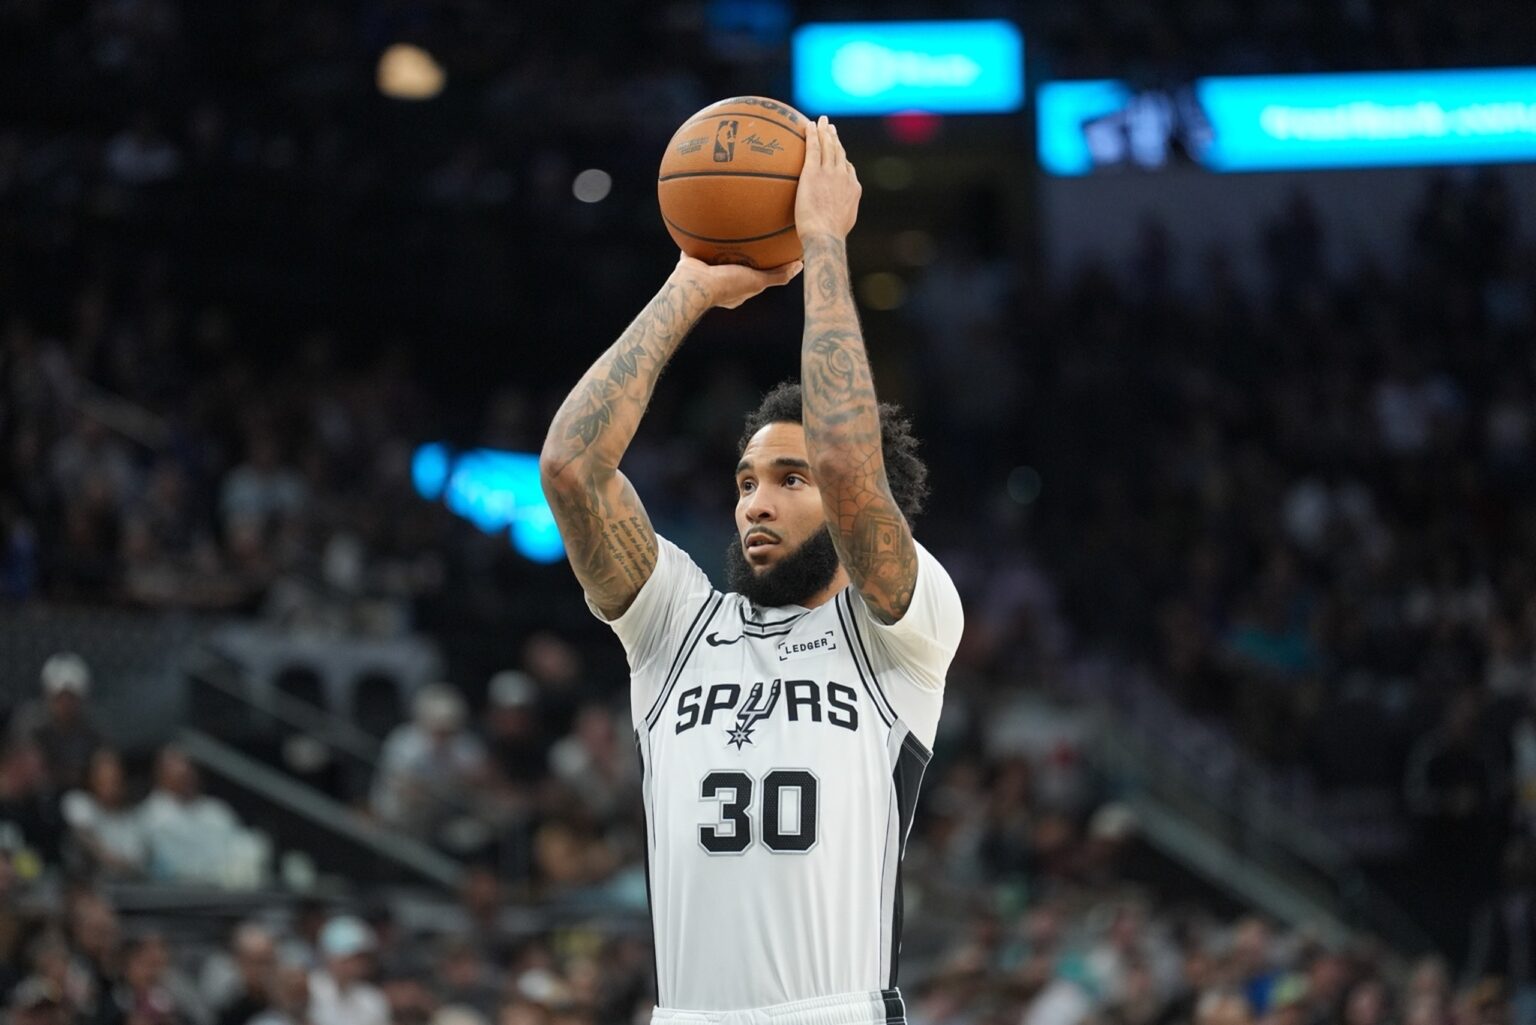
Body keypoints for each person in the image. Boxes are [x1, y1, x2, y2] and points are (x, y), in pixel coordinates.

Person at [539, 116, 963, 1022]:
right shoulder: (675, 628)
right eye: (744, 481)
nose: (755, 502)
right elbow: (574, 466)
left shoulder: (903, 632)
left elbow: (853, 468)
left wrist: (823, 243)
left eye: (787, 478)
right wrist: (688, 285)